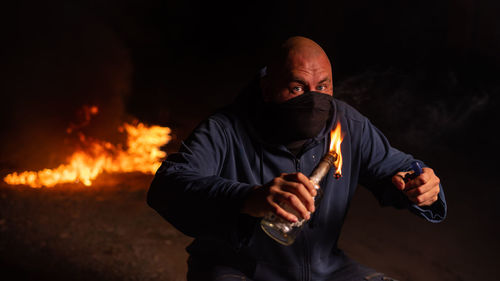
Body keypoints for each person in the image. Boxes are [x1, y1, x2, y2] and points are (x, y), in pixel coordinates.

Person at [147, 36, 447, 281]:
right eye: (297, 88)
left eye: (322, 87)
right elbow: (168, 186)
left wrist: (421, 183)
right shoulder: (226, 128)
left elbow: (400, 168)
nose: (314, 99)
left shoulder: (347, 124)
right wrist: (248, 198)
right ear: (267, 89)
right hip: (239, 270)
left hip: (325, 272)